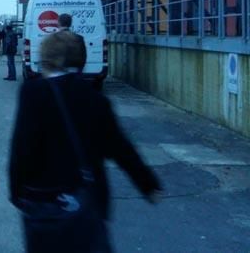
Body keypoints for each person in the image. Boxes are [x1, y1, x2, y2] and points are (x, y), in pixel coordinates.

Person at [9, 30, 161, 252]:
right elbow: (120, 147)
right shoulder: (95, 98)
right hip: (87, 200)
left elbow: (21, 148)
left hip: (44, 201)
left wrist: (16, 190)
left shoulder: (33, 92)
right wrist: (148, 184)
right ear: (80, 60)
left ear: (47, 58)